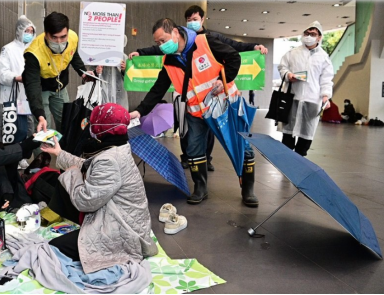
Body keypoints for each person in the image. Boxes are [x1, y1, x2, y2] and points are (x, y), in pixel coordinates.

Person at [130, 18, 259, 207]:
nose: (161, 45)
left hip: (224, 106)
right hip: (196, 112)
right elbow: (158, 89)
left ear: (175, 32)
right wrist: (139, 111)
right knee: (193, 148)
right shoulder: (169, 61)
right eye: (158, 43)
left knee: (243, 146)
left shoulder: (205, 42)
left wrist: (223, 80)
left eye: (164, 40)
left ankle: (248, 189)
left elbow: (234, 57)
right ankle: (200, 188)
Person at [41, 103, 159, 273]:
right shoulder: (118, 148)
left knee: (53, 248)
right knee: (70, 180)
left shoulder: (109, 159)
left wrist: (71, 174)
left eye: (93, 123)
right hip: (126, 222)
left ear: (100, 129)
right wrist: (59, 153)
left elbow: (86, 202)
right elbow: (89, 166)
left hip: (124, 233)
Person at [23, 12, 100, 132]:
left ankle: (63, 150)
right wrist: (39, 114)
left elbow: (72, 54)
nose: (59, 42)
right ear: (46, 34)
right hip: (41, 89)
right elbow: (32, 84)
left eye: (63, 37)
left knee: (66, 122)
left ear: (68, 32)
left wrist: (83, 72)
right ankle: (41, 151)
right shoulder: (33, 53)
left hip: (60, 87)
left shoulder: (73, 38)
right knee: (43, 126)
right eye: (54, 37)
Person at [278, 21, 334, 157]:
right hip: (292, 97)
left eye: (313, 34)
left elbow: (326, 79)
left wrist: (326, 96)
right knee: (288, 135)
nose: (309, 36)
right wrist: (288, 75)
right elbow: (282, 67)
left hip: (312, 100)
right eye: (307, 33)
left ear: (319, 37)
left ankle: (300, 162)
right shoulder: (293, 53)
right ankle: (286, 163)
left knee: (306, 135)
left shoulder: (324, 58)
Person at [0, 15, 36, 169]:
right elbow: (2, 73)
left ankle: (22, 157)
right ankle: (10, 157)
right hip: (13, 96)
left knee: (24, 128)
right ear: (19, 31)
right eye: (27, 30)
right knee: (11, 126)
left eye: (32, 31)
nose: (30, 34)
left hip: (25, 98)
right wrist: (16, 78)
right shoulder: (8, 49)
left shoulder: (32, 51)